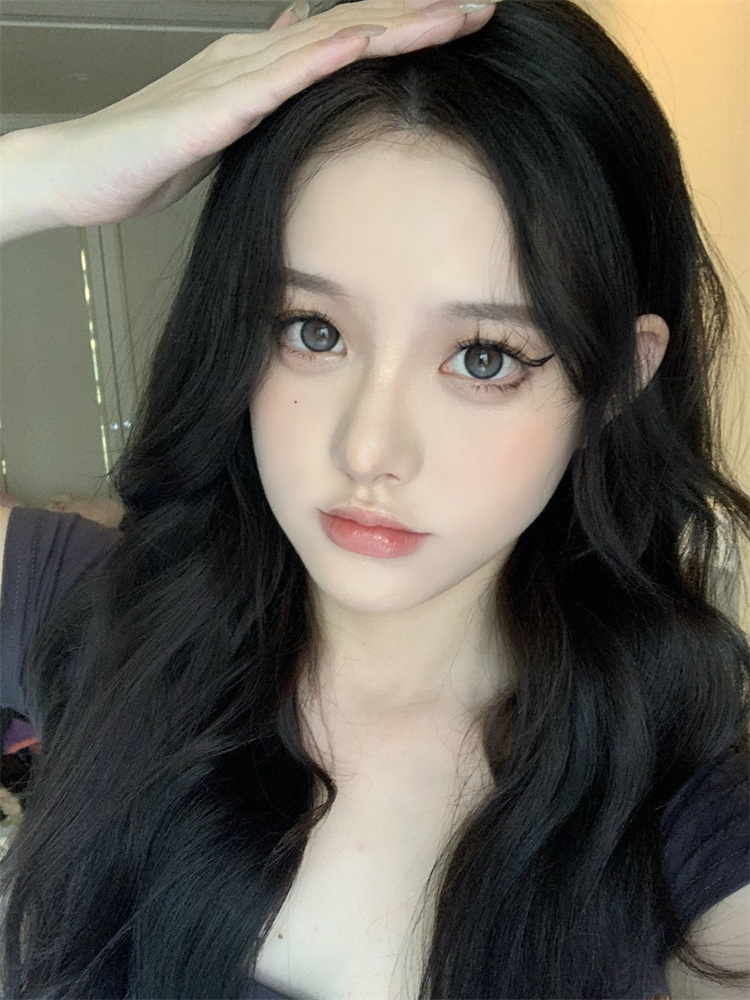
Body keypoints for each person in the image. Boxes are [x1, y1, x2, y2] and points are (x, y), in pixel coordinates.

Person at [0, 1, 748, 998]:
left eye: (482, 356)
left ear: (614, 382)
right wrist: (41, 171)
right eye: (312, 329)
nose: (368, 448)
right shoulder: (99, 616)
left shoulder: (682, 818)